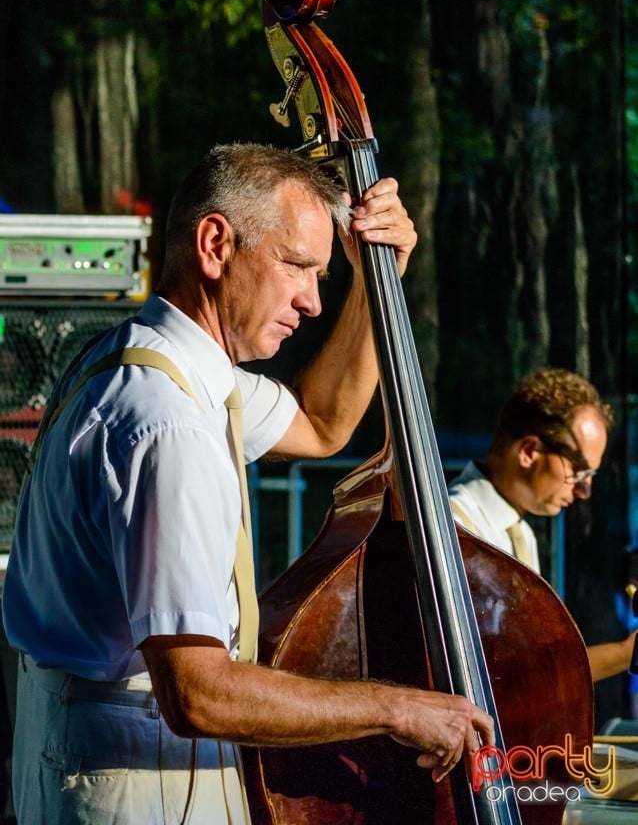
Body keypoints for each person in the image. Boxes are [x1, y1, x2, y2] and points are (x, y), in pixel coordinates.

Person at [2, 143, 493, 825]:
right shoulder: (167, 423)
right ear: (215, 245)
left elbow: (322, 423)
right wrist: (396, 706)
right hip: (138, 791)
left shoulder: (147, 361)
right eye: (297, 265)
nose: (313, 301)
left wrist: (379, 279)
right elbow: (198, 695)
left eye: (322, 276)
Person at [448, 366, 636, 683]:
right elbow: (503, 678)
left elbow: (535, 668)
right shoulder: (456, 531)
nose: (583, 491)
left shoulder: (520, 534)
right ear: (529, 451)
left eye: (590, 477)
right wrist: (623, 654)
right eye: (577, 472)